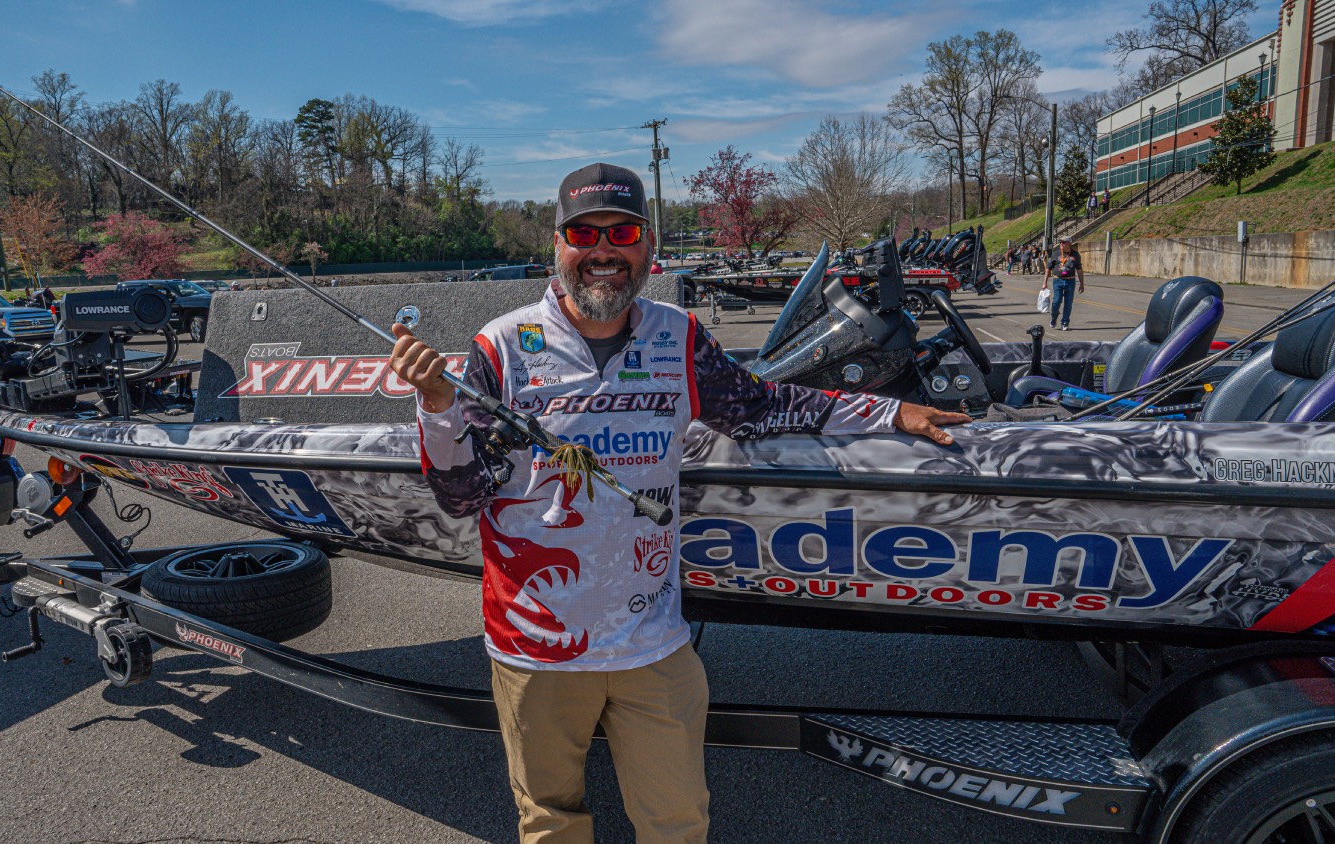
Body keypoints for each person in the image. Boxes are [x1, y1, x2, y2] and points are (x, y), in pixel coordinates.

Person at [389, 162, 969, 844]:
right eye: (584, 233)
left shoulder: (678, 336)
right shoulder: (503, 346)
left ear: (647, 248)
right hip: (537, 649)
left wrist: (890, 413)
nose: (603, 251)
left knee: (677, 823)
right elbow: (461, 497)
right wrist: (436, 407)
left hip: (652, 646)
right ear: (557, 245)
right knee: (550, 823)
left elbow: (764, 407)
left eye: (623, 232)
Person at [1043, 236, 1084, 330]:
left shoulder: (1075, 254)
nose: (1061, 244)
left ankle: (1065, 322)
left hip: (1070, 281)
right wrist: (1044, 282)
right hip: (1058, 280)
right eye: (1060, 242)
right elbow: (1048, 268)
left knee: (1068, 303)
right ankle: (1054, 318)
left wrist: (1081, 284)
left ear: (1069, 243)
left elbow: (1079, 269)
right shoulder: (1055, 254)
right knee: (1056, 301)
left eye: (1063, 242)